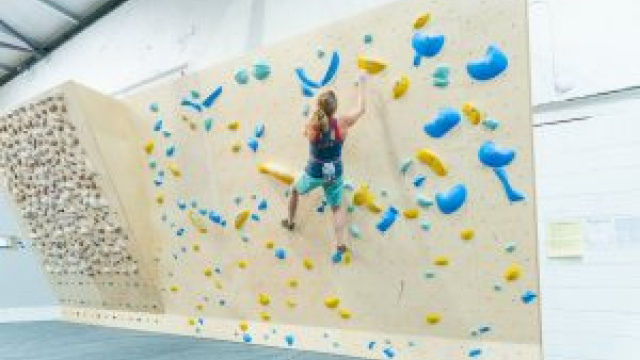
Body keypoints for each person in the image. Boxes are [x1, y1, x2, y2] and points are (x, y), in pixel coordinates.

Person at [282, 75, 367, 262]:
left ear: (318, 107)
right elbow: (361, 110)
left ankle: (290, 221)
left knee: (295, 190)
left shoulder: (313, 126)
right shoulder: (342, 123)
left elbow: (305, 132)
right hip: (334, 172)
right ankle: (340, 243)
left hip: (314, 172)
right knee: (336, 208)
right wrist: (361, 83)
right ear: (335, 109)